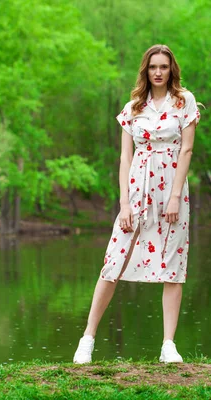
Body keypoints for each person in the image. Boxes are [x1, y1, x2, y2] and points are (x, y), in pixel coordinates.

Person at [73, 44, 200, 364]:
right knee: (113, 261)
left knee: (173, 265)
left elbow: (186, 151)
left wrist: (173, 196)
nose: (159, 72)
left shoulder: (185, 102)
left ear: (172, 70)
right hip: (137, 192)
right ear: (145, 70)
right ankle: (87, 339)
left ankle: (168, 345)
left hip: (171, 191)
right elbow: (125, 157)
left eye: (164, 67)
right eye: (153, 67)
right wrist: (124, 204)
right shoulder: (133, 108)